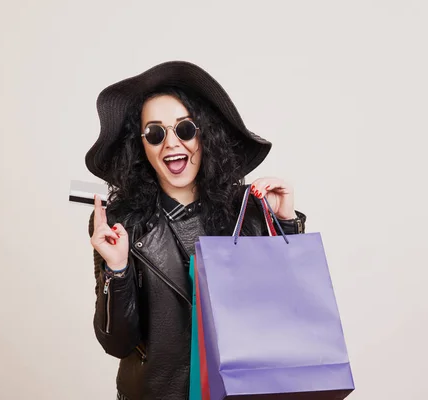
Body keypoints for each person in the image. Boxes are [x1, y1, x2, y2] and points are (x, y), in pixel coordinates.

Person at [85, 61, 307, 400]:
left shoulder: (245, 211)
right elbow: (118, 343)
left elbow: (290, 313)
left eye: (185, 129)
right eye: (155, 133)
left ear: (204, 134)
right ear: (141, 146)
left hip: (241, 393)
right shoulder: (120, 224)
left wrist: (285, 223)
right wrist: (117, 270)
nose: (171, 143)